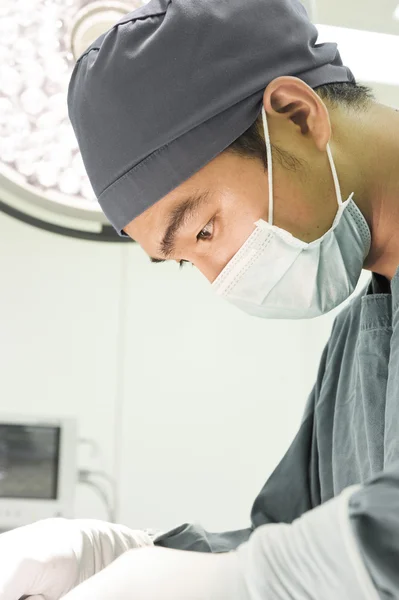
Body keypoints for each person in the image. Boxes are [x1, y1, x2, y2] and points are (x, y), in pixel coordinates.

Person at [1, 0, 399, 598]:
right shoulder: (364, 343)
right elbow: (296, 539)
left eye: (205, 229)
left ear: (296, 115)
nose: (222, 278)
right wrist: (130, 556)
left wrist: (243, 582)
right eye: (186, 259)